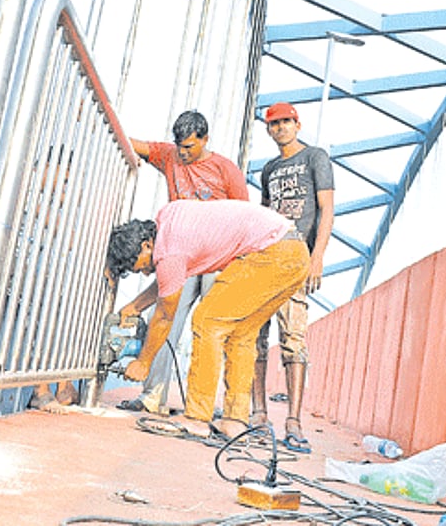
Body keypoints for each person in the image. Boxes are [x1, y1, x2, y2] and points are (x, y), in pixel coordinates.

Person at [105, 199, 309, 438]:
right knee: (241, 335)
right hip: (295, 253)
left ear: (147, 244)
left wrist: (143, 363)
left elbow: (164, 315)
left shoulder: (169, 250)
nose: (145, 272)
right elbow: (168, 282)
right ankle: (235, 420)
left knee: (207, 321)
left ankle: (196, 417)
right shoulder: (169, 222)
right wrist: (135, 307)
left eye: (141, 267)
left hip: (270, 253)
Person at [116, 110, 248, 414]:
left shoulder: (225, 169)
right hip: (181, 255)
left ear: (205, 139)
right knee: (164, 319)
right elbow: (132, 142)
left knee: (211, 327)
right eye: (180, 146)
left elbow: (242, 216)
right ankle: (152, 397)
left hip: (217, 258)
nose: (184, 153)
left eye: (189, 146)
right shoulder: (170, 156)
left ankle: (206, 405)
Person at [251, 102, 334, 453]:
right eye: (274, 124)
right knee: (255, 335)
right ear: (268, 130)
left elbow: (326, 209)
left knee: (293, 339)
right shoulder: (269, 169)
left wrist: (317, 258)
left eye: (286, 122)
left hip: (297, 258)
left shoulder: (315, 158)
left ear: (297, 124)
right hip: (267, 258)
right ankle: (258, 415)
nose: (280, 128)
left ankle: (293, 422)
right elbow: (264, 214)